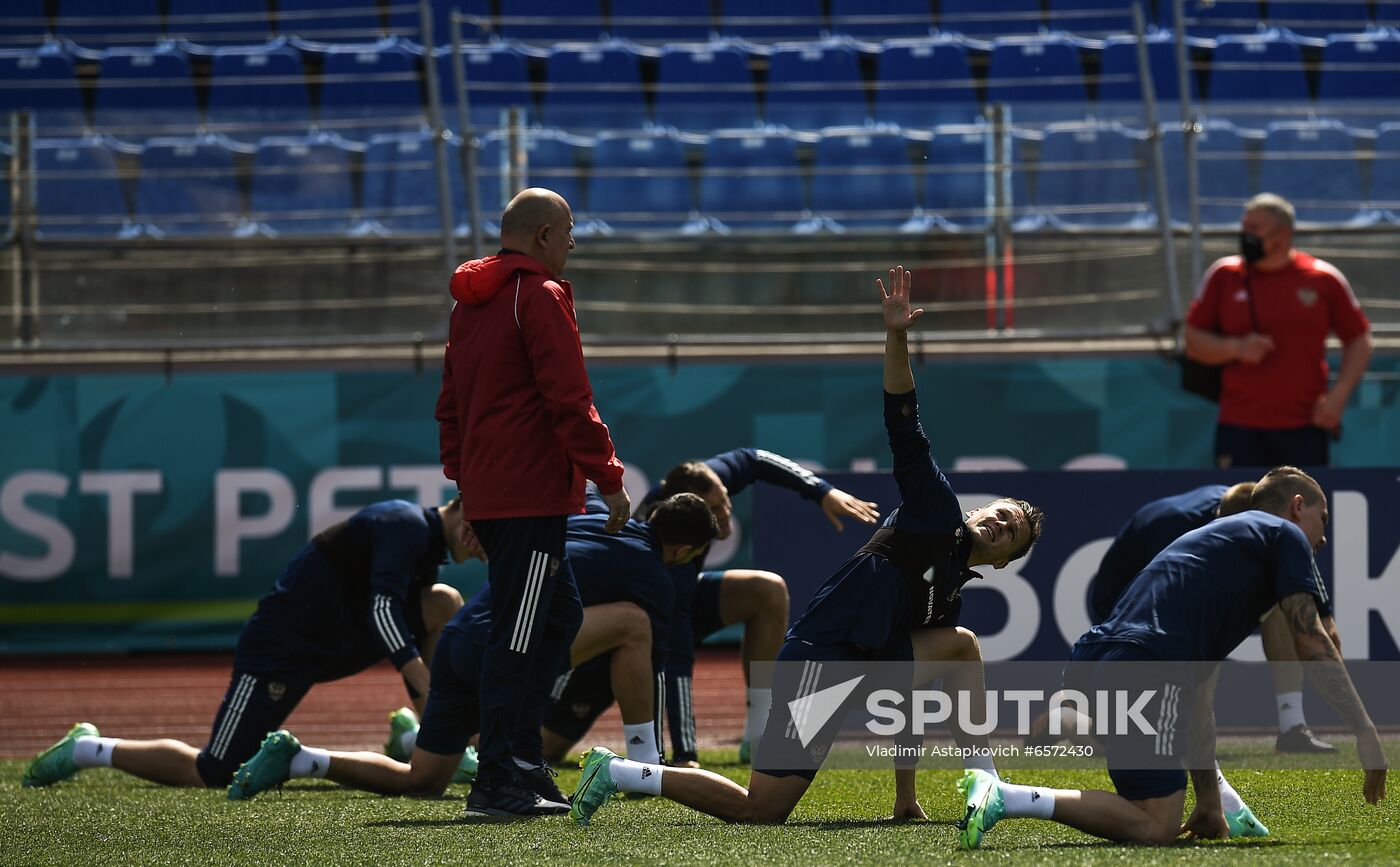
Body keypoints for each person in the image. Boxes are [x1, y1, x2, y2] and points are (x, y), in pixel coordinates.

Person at [568, 265, 1044, 826]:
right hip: (821, 661)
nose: (999, 523)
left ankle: (986, 787)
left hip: (863, 671)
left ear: (1008, 558)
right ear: (977, 510)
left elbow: (912, 704)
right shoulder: (934, 512)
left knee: (958, 645)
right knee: (761, 810)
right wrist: (896, 336)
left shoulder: (950, 597)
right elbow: (903, 422)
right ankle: (619, 770)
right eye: (1000, 513)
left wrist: (905, 797)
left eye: (1012, 530)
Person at [958, 467, 1388, 849]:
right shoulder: (1285, 535)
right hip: (1145, 665)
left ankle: (1069, 724)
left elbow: (1198, 700)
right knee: (1156, 822)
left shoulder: (1223, 545)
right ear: (1297, 507)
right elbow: (1313, 642)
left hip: (1097, 654)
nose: (1324, 535)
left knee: (1164, 738)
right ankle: (1006, 796)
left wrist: (1208, 803)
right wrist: (1365, 731)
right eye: (1322, 519)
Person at [221, 493, 717, 805]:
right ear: (685, 552)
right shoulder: (658, 576)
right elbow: (665, 660)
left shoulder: (589, 515)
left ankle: (303, 758)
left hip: (460, 635)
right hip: (503, 644)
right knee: (633, 626)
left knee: (424, 781)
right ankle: (643, 761)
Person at [22, 498, 471, 791]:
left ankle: (420, 738)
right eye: (488, 526)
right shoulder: (406, 524)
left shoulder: (427, 545)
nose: (491, 543)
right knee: (213, 770)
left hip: (334, 641)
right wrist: (431, 689)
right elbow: (382, 611)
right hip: (281, 649)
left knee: (443, 604)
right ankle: (88, 748)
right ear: (465, 506)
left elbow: (397, 620)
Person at [434, 187, 631, 816]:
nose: (573, 244)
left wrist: (469, 490)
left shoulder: (472, 304)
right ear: (545, 235)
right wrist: (608, 477)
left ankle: (519, 757)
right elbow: (570, 400)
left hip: (498, 495)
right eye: (569, 231)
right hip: (529, 497)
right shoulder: (539, 296)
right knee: (519, 636)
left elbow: (451, 406)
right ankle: (501, 776)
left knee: (557, 619)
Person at [542, 448, 880, 766]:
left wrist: (821, 491)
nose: (726, 511)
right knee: (546, 747)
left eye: (724, 501)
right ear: (683, 544)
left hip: (642, 615)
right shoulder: (660, 567)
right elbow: (673, 654)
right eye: (714, 510)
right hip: (613, 641)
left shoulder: (705, 481)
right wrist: (685, 753)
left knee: (767, 591)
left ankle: (762, 734)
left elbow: (754, 459)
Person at [1088, 481, 1333, 753]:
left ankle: (1292, 726)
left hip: (1172, 614)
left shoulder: (1272, 527)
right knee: (1112, 738)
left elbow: (1325, 623)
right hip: (1120, 611)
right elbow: (1160, 609)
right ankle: (1066, 721)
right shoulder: (1173, 528)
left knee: (1277, 604)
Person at [1184, 193, 1372, 468]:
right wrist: (1237, 348)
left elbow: (1359, 339)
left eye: (1254, 229)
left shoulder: (1323, 278)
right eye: (1244, 227)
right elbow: (1192, 340)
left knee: (1300, 509)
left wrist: (1338, 396)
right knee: (1239, 509)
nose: (1245, 235)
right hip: (1239, 425)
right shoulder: (1223, 275)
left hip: (1305, 424)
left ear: (1281, 234)